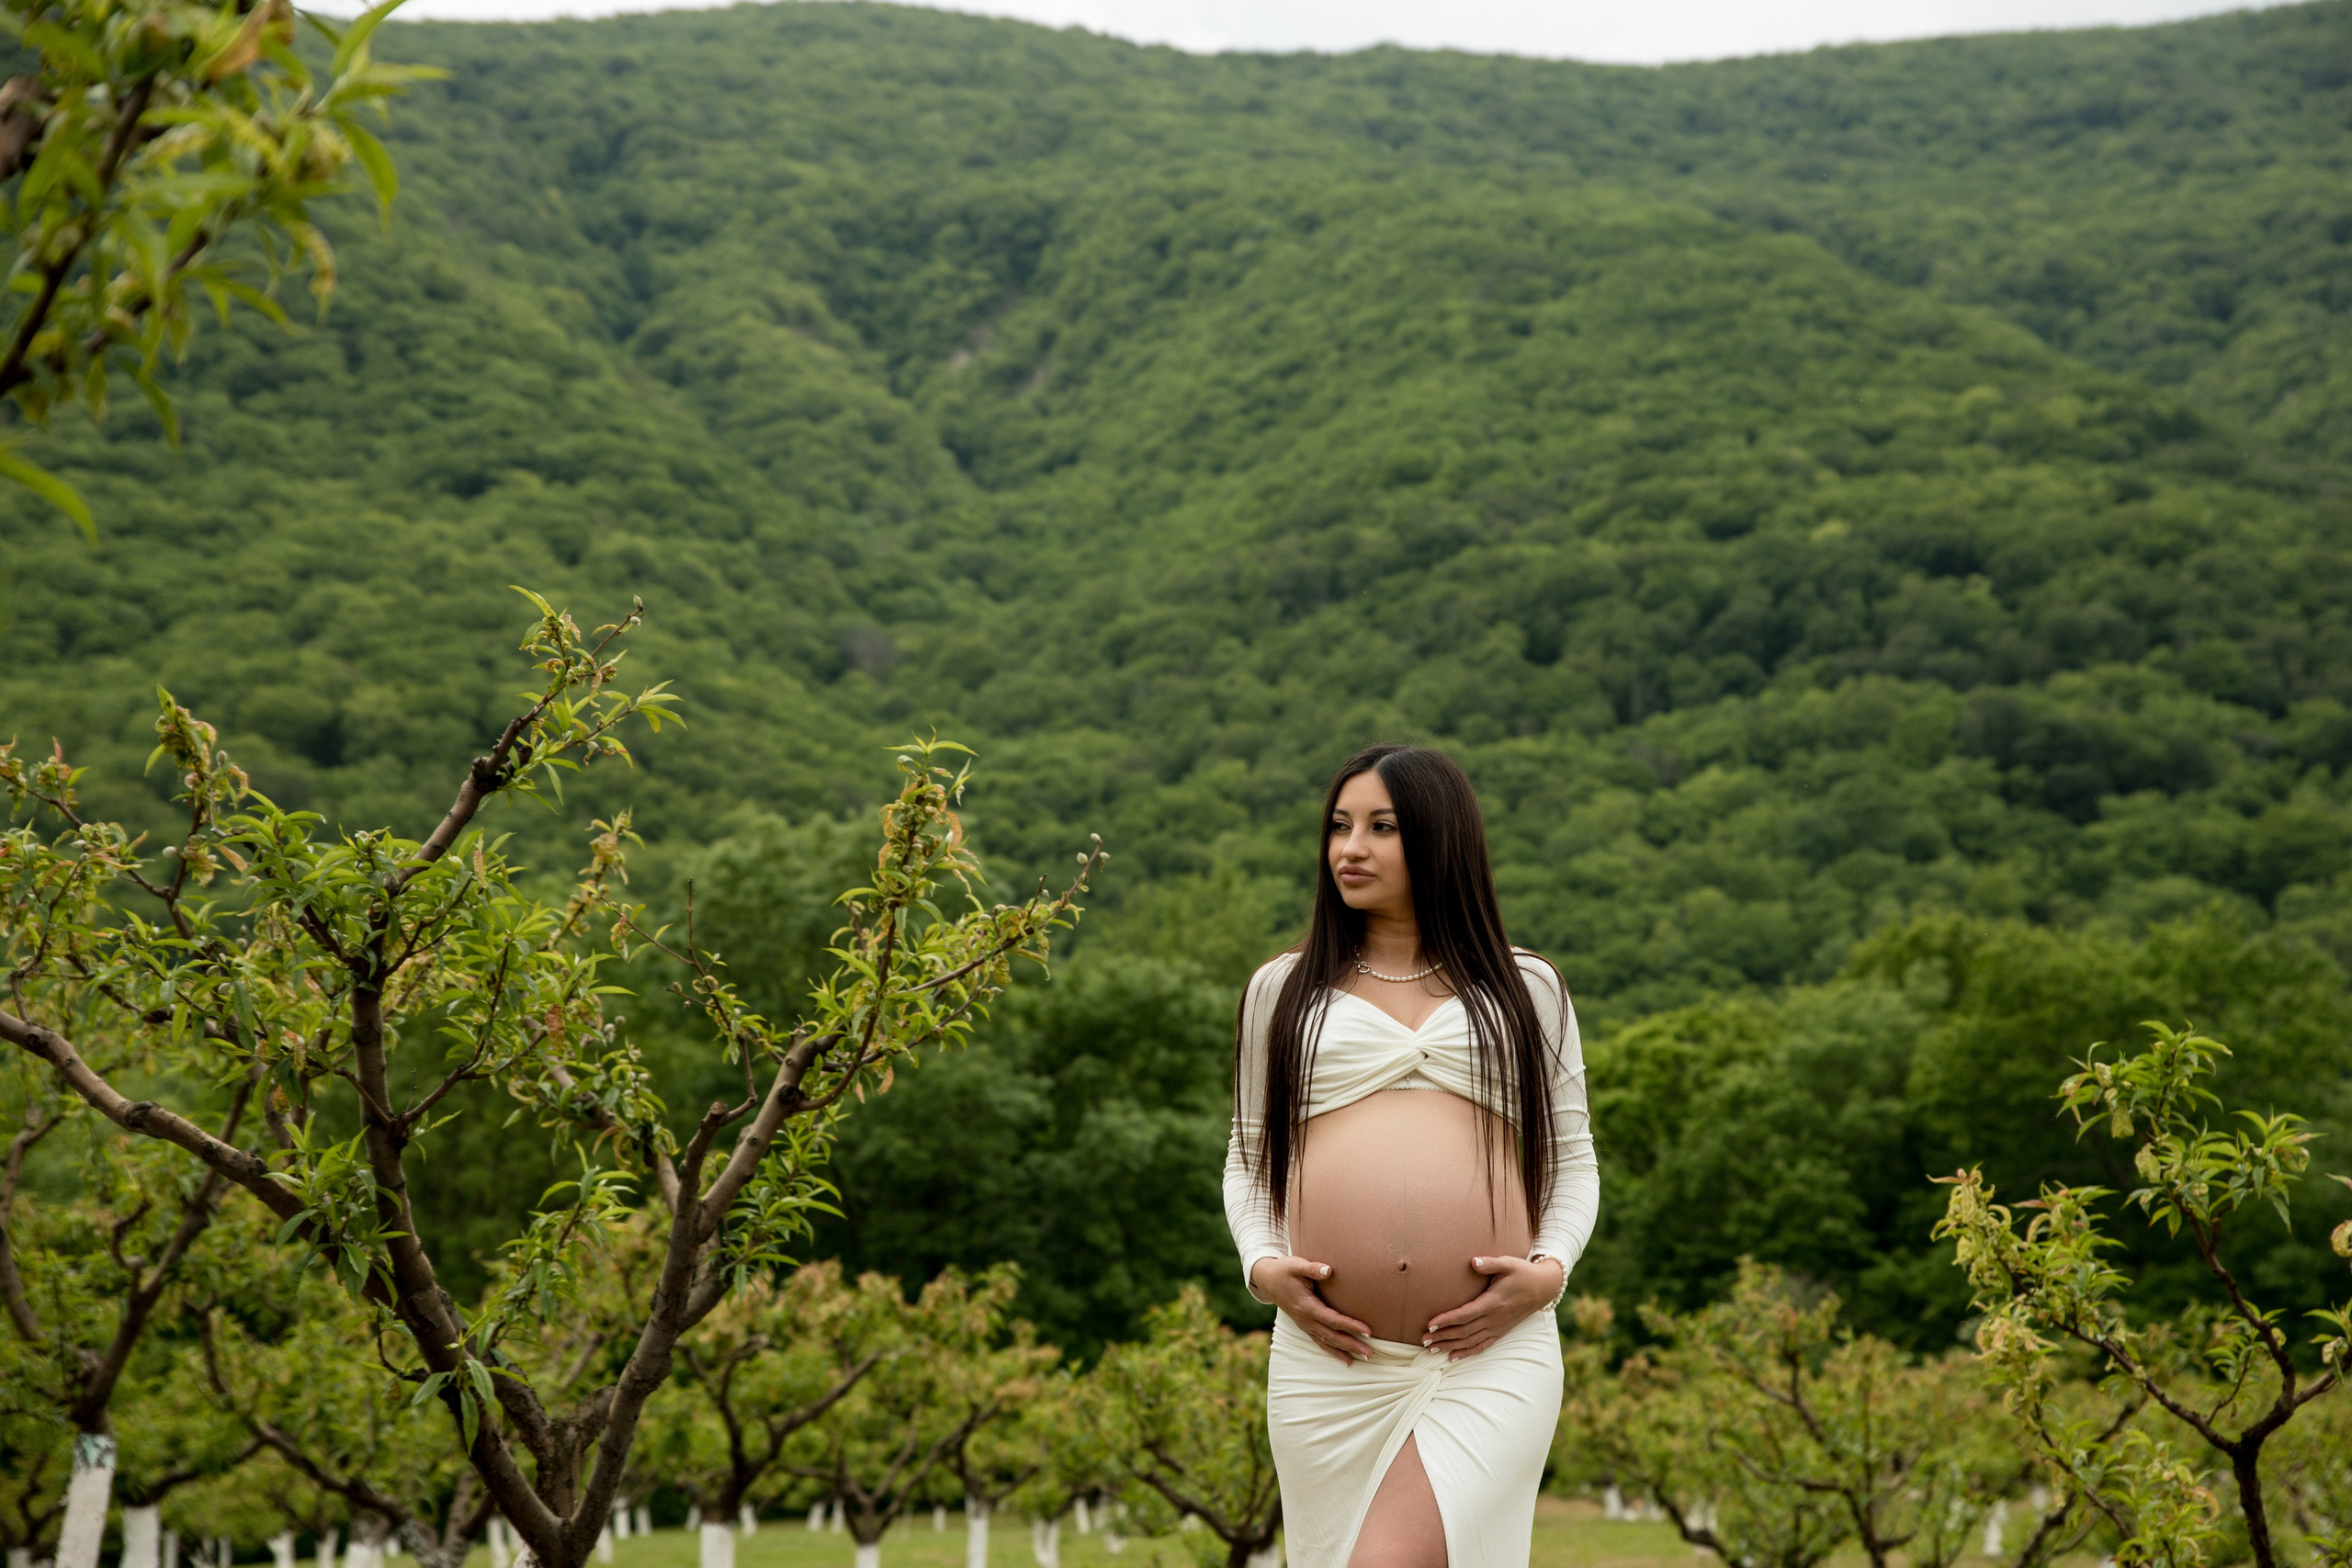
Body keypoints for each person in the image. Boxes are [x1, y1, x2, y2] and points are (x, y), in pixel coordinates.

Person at [1224, 743, 1598, 1568]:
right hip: (1330, 1365)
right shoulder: (1281, 992)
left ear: (1438, 838)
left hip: (1488, 1357)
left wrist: (1549, 1270)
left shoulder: (1525, 988)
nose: (1349, 848)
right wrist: (1261, 1266)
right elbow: (1249, 1159)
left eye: (1381, 827)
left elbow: (1572, 1158)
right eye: (1339, 826)